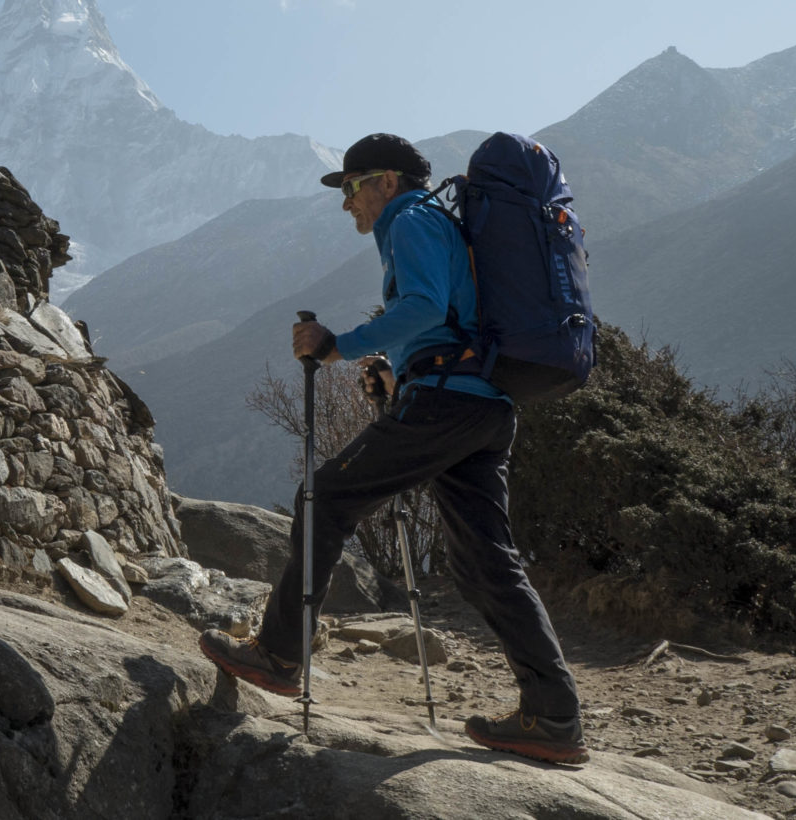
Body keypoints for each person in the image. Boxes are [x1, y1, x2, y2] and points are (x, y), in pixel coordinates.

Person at [197, 133, 588, 765]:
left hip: (446, 404)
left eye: (351, 187)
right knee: (487, 562)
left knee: (323, 498)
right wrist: (399, 372)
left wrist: (336, 344)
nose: (346, 202)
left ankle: (277, 655)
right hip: (482, 406)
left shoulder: (413, 219)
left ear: (386, 181)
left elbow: (425, 305)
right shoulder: (434, 224)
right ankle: (553, 718)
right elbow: (445, 318)